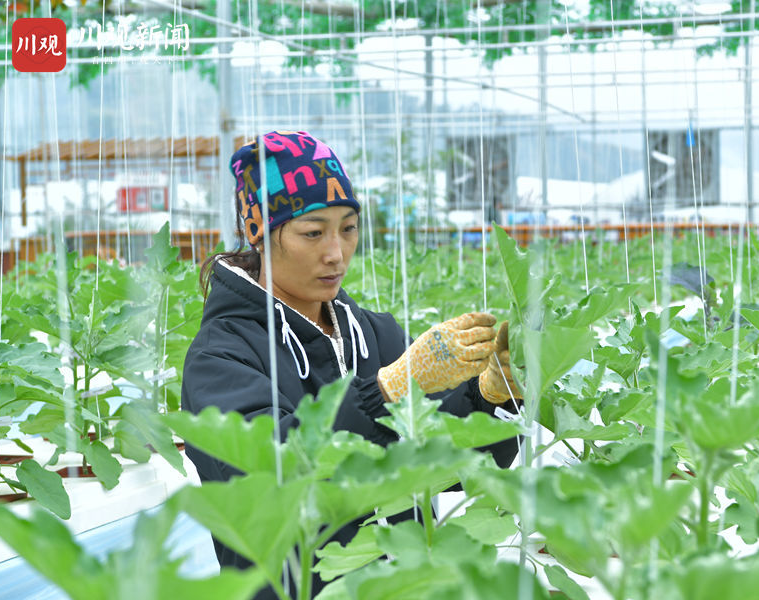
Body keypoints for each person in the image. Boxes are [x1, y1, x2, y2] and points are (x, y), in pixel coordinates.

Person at [180, 130, 523, 599]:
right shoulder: (220, 355)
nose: (336, 253)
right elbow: (269, 475)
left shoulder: (375, 334)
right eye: (313, 232)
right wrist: (386, 391)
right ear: (259, 234)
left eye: (349, 228)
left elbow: (459, 465)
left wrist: (490, 397)